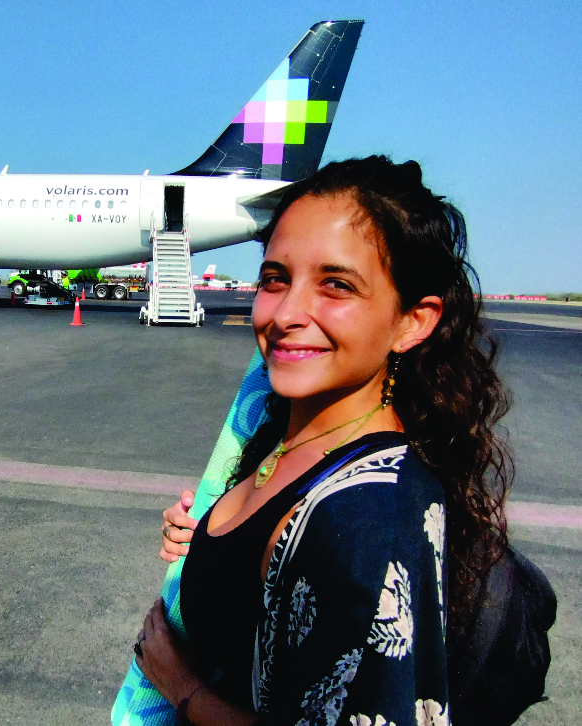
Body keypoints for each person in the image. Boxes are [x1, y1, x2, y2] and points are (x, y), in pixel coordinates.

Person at [136, 156, 511, 726]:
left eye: (336, 285)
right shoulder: (282, 434)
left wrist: (182, 687)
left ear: (413, 320)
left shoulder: (367, 515)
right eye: (274, 278)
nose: (287, 312)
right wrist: (210, 536)